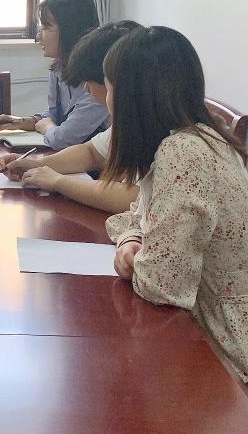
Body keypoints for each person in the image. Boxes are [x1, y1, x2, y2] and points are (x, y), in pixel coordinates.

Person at [103, 27, 248, 382]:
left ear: (132, 97)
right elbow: (136, 216)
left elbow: (162, 284)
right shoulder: (202, 136)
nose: (106, 100)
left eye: (108, 88)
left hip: (225, 345)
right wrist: (132, 240)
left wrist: (135, 260)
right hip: (205, 327)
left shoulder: (183, 153)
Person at [0, 21, 142, 212]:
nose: (86, 89)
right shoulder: (130, 121)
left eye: (95, 82)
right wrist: (36, 164)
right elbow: (91, 152)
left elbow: (135, 198)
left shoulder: (167, 137)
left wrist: (58, 181)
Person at [0, 0, 108, 149]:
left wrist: (46, 126)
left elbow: (63, 139)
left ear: (70, 29)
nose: (38, 37)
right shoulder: (58, 68)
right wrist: (28, 121)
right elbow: (55, 113)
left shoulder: (98, 80)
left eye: (46, 28)